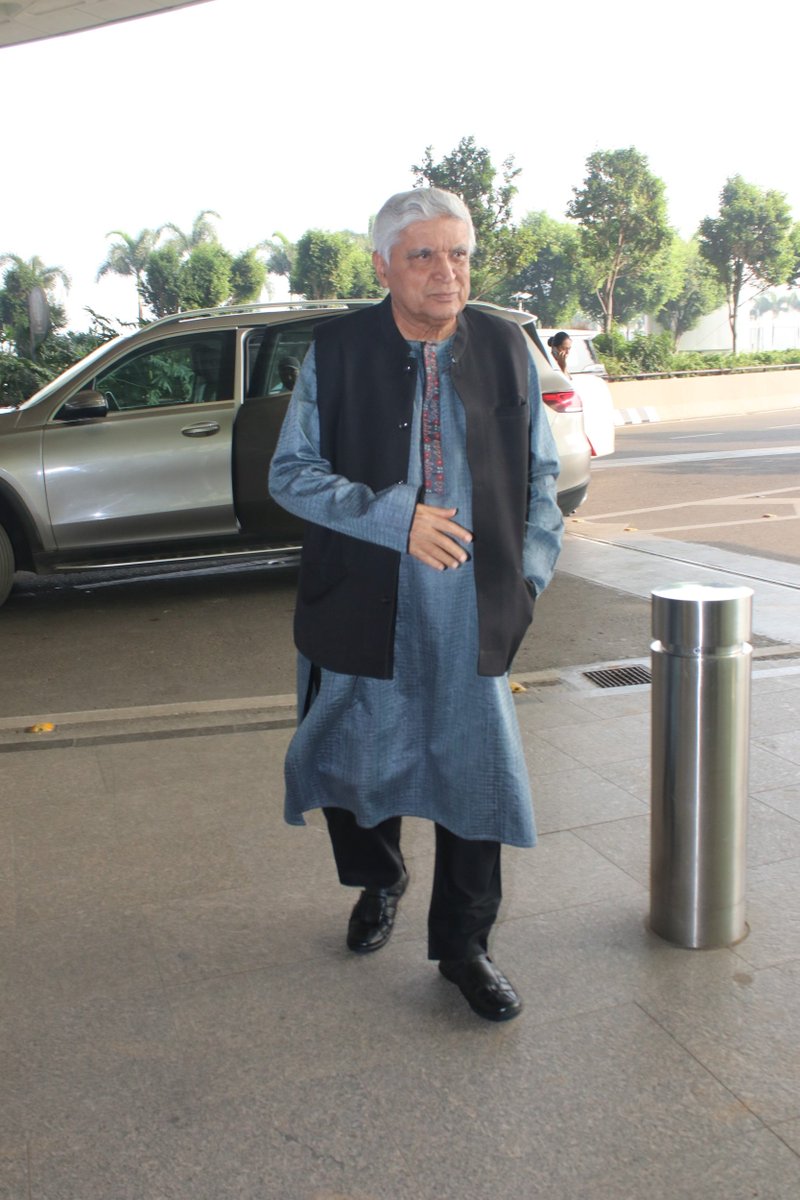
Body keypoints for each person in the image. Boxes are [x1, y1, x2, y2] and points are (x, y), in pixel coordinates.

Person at [268, 188, 563, 1023]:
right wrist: (397, 518)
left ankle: (465, 947)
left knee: (475, 777)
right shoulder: (338, 351)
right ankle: (380, 877)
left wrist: (528, 576)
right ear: (383, 266)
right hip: (365, 597)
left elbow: (545, 481)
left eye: (459, 254)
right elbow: (289, 474)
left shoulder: (506, 346)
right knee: (348, 761)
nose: (447, 273)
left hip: (470, 608)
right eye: (423, 255)